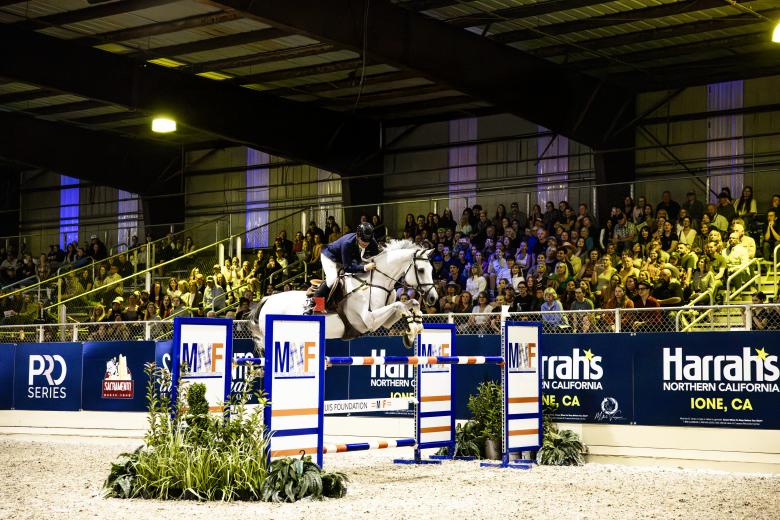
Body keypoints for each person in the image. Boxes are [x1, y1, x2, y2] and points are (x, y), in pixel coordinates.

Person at [306, 222, 379, 314]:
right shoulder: (347, 243)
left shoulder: (370, 240)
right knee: (332, 278)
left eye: (368, 240)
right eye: (363, 240)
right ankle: (313, 301)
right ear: (357, 236)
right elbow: (347, 267)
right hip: (330, 257)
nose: (366, 243)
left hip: (344, 258)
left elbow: (377, 257)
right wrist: (364, 267)